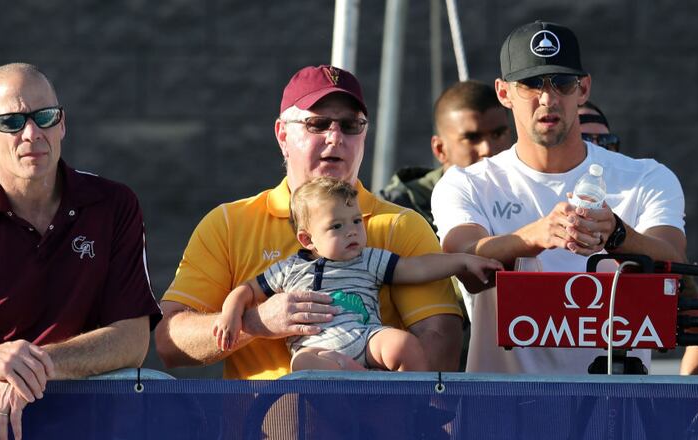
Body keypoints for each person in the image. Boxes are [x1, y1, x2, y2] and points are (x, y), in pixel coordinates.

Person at [431, 21, 698, 375]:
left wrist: (617, 234)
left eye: (563, 83)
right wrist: (533, 237)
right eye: (531, 84)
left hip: (615, 411)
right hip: (502, 409)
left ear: (583, 89)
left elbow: (673, 264)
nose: (548, 99)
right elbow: (462, 260)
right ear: (504, 93)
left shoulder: (646, 178)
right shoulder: (468, 182)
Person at [155, 65, 465, 379]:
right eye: (317, 124)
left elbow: (440, 340)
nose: (335, 137)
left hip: (377, 422)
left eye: (350, 125)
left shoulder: (400, 225)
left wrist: (373, 403)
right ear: (282, 135)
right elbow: (168, 340)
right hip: (265, 423)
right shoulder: (228, 224)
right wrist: (255, 322)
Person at [0, 63, 161, 439]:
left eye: (44, 117)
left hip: (86, 410)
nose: (32, 133)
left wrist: (31, 367)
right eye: (11, 122)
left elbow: (132, 339)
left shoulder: (113, 204)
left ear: (62, 124)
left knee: (159, 398)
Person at [212, 177, 502, 371]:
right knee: (303, 368)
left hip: (367, 337)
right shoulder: (289, 269)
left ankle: (408, 404)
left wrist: (462, 262)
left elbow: (419, 267)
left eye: (355, 221)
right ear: (307, 239)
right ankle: (361, 382)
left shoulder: (369, 259)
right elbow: (247, 291)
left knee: (404, 344)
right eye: (336, 227)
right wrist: (230, 314)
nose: (351, 231)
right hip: (317, 348)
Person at [380, 80, 512, 228]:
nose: (487, 149)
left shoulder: (528, 191)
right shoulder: (395, 212)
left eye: (498, 134)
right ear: (440, 149)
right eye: (471, 138)